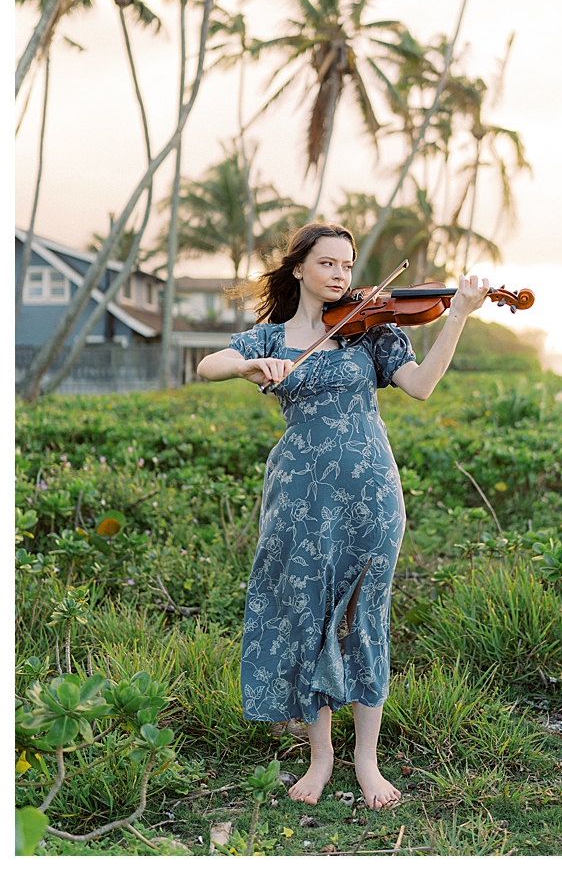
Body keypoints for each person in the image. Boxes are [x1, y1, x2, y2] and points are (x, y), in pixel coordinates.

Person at [196, 223, 489, 809]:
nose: (339, 275)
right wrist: (252, 368)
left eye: (347, 265)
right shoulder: (271, 339)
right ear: (299, 268)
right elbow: (209, 364)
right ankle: (321, 757)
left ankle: (367, 762)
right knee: (308, 613)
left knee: (365, 617)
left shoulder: (371, 334)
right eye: (327, 263)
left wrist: (456, 314)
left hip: (370, 492)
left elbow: (423, 386)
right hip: (300, 494)